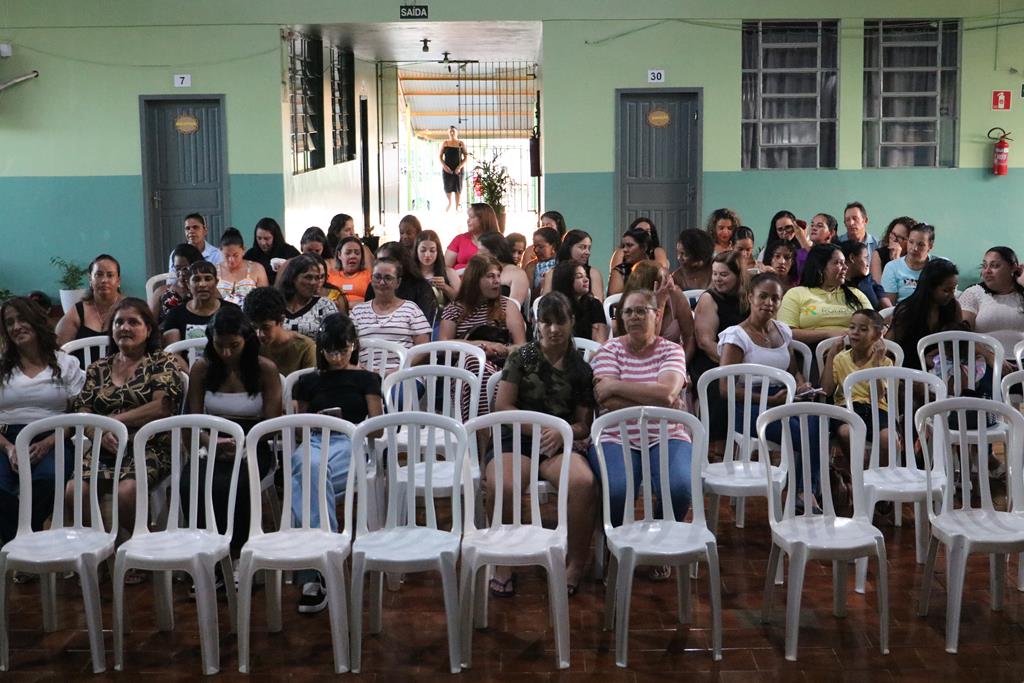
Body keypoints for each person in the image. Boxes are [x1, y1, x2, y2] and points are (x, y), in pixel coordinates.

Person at [490, 292, 597, 596]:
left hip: (558, 444)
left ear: (571, 322)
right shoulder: (525, 356)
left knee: (583, 483)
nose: (553, 329)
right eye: (546, 322)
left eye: (560, 321)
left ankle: (575, 563)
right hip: (518, 438)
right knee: (504, 485)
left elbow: (583, 425)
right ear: (536, 324)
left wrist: (563, 432)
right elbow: (503, 407)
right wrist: (540, 428)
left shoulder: (580, 368)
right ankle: (503, 561)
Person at [70, 298, 184, 576]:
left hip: (150, 445)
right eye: (119, 322)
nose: (125, 328)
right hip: (105, 445)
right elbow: (82, 409)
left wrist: (114, 423)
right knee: (74, 490)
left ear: (148, 329)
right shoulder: (99, 368)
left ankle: (139, 550)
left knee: (126, 491)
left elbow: (161, 407)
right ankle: (98, 554)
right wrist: (98, 431)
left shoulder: (161, 362)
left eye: (134, 322)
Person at [586, 289, 690, 580]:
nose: (634, 317)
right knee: (618, 489)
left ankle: (660, 543)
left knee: (680, 487)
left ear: (657, 315)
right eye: (628, 311)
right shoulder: (609, 350)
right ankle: (617, 546)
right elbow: (605, 400)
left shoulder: (671, 350)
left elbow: (667, 392)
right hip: (615, 435)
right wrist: (659, 401)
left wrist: (617, 386)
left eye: (642, 310)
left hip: (667, 433)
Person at [291, 313, 383, 612]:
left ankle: (313, 574)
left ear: (353, 346)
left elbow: (378, 428)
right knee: (309, 467)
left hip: (350, 441)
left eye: (343, 350)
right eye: (331, 351)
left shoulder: (366, 378)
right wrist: (320, 420)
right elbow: (300, 427)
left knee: (306, 481)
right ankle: (328, 559)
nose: (337, 357)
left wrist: (347, 424)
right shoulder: (308, 381)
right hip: (316, 440)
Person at [181, 306, 282, 560]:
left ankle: (237, 552)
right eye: (220, 345)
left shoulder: (265, 369)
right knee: (193, 482)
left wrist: (242, 444)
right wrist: (210, 442)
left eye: (234, 346)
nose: (226, 353)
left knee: (236, 484)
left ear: (247, 340)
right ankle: (205, 552)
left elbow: (271, 424)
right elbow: (192, 419)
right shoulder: (202, 368)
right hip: (211, 439)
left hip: (253, 441)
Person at [718, 273, 822, 507]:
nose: (769, 303)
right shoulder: (736, 336)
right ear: (750, 297)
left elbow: (793, 370)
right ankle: (804, 493)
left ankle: (803, 491)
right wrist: (771, 400)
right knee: (802, 434)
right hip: (749, 404)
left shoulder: (782, 331)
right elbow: (725, 389)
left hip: (783, 398)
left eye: (775, 298)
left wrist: (802, 384)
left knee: (817, 422)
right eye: (763, 297)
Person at [0, 297, 85, 545]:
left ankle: (18, 544)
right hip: (6, 439)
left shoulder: (66, 363)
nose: (16, 327)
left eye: (21, 319)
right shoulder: (2, 366)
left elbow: (79, 413)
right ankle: (28, 543)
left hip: (53, 437)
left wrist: (48, 443)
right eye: (9, 323)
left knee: (48, 480)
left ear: (36, 320)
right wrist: (9, 448)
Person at [440, 254, 528, 419]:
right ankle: (486, 427)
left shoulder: (507, 305)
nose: (497, 281)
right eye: (490, 276)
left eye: (498, 276)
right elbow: (443, 346)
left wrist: (502, 350)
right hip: (462, 374)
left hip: (501, 371)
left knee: (476, 366)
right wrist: (481, 346)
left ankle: (478, 429)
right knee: (473, 362)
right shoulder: (453, 309)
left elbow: (523, 347)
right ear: (474, 280)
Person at [820, 309, 893, 470]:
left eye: (863, 329)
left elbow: (877, 396)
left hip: (877, 409)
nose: (855, 332)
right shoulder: (840, 358)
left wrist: (876, 363)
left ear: (876, 335)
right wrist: (831, 356)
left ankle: (880, 478)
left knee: (888, 438)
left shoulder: (885, 362)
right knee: (846, 432)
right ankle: (860, 474)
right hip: (847, 408)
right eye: (852, 327)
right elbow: (826, 390)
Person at [778, 244, 871, 347]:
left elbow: (874, 325)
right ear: (820, 267)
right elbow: (786, 332)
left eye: (844, 263)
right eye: (838, 263)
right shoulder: (796, 294)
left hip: (855, 349)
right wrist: (829, 334)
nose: (845, 267)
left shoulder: (855, 294)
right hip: (811, 350)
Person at [350, 258, 432, 371]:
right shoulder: (358, 311)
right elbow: (348, 346)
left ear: (398, 282)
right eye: (377, 277)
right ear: (371, 279)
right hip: (365, 374)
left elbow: (423, 348)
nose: (382, 282)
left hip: (403, 374)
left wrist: (398, 370)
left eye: (388, 278)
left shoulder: (411, 309)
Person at [690, 251, 746, 414]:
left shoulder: (748, 297)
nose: (717, 279)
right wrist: (735, 363)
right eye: (714, 274)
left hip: (743, 358)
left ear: (738, 276)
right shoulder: (709, 298)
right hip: (713, 360)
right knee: (720, 391)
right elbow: (705, 343)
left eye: (723, 274)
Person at [886, 258, 962, 371]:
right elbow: (890, 347)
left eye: (954, 289)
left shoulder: (953, 307)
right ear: (930, 288)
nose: (952, 295)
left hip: (941, 369)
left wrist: (935, 355)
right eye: (946, 290)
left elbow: (959, 340)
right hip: (909, 370)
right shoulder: (907, 310)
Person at [616, 260, 696, 360]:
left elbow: (690, 337)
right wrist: (660, 304)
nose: (669, 285)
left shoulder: (675, 294)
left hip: (673, 360)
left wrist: (681, 364)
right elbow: (648, 343)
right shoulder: (629, 306)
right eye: (664, 281)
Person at [959, 247, 1024, 364]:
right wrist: (989, 356)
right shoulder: (974, 293)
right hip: (985, 362)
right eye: (984, 266)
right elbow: (963, 334)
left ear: (1013, 267)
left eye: (995, 266)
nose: (987, 271)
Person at [242, 286, 316, 376]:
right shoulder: (251, 344)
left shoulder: (306, 348)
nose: (259, 334)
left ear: (281, 320)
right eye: (254, 327)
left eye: (266, 327)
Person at [56, 254, 125, 348]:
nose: (104, 280)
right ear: (90, 280)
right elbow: (58, 349)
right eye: (99, 275)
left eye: (110, 275)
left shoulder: (130, 308)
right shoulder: (78, 312)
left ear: (118, 281)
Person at [363, 241, 437, 325]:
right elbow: (367, 318)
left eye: (386, 261)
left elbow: (422, 322)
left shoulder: (421, 286)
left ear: (401, 262)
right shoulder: (373, 286)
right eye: (378, 261)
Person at [161, 261, 235, 345]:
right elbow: (172, 351)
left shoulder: (232, 311)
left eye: (208, 279)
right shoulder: (175, 315)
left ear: (216, 283)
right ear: (188, 284)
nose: (202, 284)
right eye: (196, 279)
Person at [276, 254, 341, 339]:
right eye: (308, 277)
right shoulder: (276, 305)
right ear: (293, 278)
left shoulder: (325, 305)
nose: (313, 282)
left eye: (317, 278)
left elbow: (335, 338)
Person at [549, 260, 608, 343]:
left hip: (589, 350)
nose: (586, 280)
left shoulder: (594, 304)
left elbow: (600, 341)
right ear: (566, 281)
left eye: (586, 276)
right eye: (579, 277)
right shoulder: (553, 305)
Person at [540, 228, 605, 302]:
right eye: (582, 247)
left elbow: (598, 304)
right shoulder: (552, 273)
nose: (588, 252)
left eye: (589, 248)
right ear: (569, 248)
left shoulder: (593, 273)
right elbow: (545, 304)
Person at [881, 223, 937, 303]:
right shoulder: (892, 267)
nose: (914, 248)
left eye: (921, 244)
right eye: (911, 242)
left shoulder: (939, 266)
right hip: (900, 310)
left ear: (930, 246)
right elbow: (889, 305)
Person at [149, 243, 203, 324]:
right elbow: (150, 324)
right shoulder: (161, 292)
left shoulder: (205, 291)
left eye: (186, 269)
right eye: (177, 269)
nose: (181, 273)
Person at [216, 227, 269, 307]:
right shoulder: (214, 270)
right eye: (227, 256)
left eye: (235, 255)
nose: (231, 260)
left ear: (243, 250)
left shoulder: (257, 269)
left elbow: (265, 298)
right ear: (220, 250)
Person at [415, 229, 461, 314]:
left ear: (438, 252)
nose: (427, 255)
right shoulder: (410, 273)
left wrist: (445, 287)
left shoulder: (448, 272)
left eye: (432, 251)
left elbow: (460, 301)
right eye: (423, 250)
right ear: (416, 250)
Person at [478, 232, 530, 306]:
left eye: (480, 251)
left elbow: (514, 306)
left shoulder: (517, 274)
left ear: (495, 253)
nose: (476, 254)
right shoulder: (478, 270)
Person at [244, 217, 299, 286]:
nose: (263, 243)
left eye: (267, 238)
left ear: (275, 237)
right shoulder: (250, 255)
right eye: (259, 238)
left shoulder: (290, 252)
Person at [445, 202, 499, 271]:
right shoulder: (460, 239)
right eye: (468, 217)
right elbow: (446, 267)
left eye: (472, 217)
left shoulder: (497, 242)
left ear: (483, 219)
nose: (468, 220)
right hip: (457, 276)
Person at [842, 241, 891, 310]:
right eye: (865, 258)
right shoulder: (836, 284)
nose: (868, 264)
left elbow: (888, 309)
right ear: (852, 258)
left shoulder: (869, 281)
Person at [327, 236, 372, 307]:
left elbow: (374, 301)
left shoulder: (370, 276)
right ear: (339, 255)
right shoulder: (330, 276)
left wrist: (347, 304)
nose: (353, 256)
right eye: (348, 253)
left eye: (357, 253)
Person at [607, 227, 652, 296]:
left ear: (644, 247)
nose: (624, 250)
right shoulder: (620, 271)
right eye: (623, 246)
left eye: (629, 245)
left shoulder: (656, 269)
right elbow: (614, 299)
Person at [870, 216, 915, 284]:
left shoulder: (915, 257)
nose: (894, 239)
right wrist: (894, 263)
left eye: (900, 237)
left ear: (910, 241)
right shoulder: (878, 254)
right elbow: (879, 286)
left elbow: (908, 287)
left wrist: (897, 260)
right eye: (893, 234)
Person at [795, 212, 838, 280]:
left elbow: (818, 264)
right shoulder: (800, 252)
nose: (813, 228)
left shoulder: (836, 253)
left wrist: (802, 240)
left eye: (819, 226)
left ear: (831, 233)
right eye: (812, 225)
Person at [440, 125, 468, 211]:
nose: (452, 133)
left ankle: (457, 206)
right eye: (450, 131)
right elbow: (440, 157)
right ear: (448, 133)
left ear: (456, 132)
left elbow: (466, 157)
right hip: (447, 169)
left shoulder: (461, 143)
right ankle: (449, 203)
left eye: (453, 131)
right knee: (447, 186)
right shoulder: (445, 143)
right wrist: (444, 166)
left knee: (458, 187)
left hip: (458, 169)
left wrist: (459, 167)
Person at [524, 227, 560, 291]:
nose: (536, 250)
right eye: (534, 246)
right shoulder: (531, 267)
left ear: (553, 246)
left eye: (540, 247)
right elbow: (528, 294)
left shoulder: (563, 264)